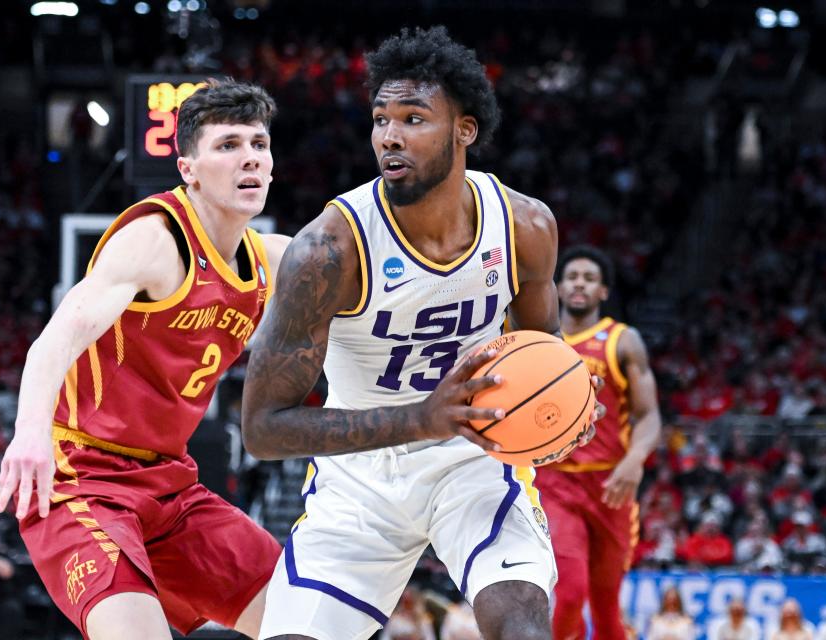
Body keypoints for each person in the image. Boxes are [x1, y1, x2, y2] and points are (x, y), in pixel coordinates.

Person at [242, 26, 601, 640]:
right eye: (381, 119)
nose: (390, 136)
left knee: (520, 626)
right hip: (358, 478)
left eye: (413, 118)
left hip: (474, 461)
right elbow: (262, 429)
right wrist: (423, 418)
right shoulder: (328, 250)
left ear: (465, 130)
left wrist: (566, 410)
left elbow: (546, 357)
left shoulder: (524, 226)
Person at [0, 79, 289, 640]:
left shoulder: (276, 260)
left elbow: (379, 292)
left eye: (259, 143)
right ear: (189, 168)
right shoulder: (155, 241)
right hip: (82, 478)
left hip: (171, 487)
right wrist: (29, 433)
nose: (249, 157)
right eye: (228, 145)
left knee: (307, 622)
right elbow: (52, 342)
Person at [534, 245, 662, 639]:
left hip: (611, 487)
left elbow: (649, 415)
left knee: (607, 608)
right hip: (553, 482)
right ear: (557, 286)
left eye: (589, 279)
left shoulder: (623, 341)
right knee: (570, 594)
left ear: (603, 291)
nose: (579, 284)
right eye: (571, 276)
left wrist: (635, 459)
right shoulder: (537, 342)